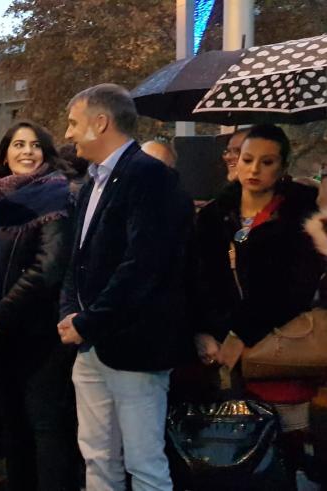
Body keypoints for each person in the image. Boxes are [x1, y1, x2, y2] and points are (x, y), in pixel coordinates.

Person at [58, 84, 193, 491]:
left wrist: (88, 321)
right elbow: (77, 259)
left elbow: (143, 266)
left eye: (73, 123)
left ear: (101, 123)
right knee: (96, 457)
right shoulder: (92, 182)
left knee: (144, 463)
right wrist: (69, 312)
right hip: (91, 345)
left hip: (135, 347)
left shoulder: (150, 177)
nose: (66, 134)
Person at [192, 124, 323, 487]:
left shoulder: (301, 212)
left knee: (285, 455)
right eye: (247, 159)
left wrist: (242, 332)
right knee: (230, 452)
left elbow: (297, 286)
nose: (253, 170)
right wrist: (207, 330)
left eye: (266, 162)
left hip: (280, 352)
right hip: (221, 356)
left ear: (282, 166)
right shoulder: (215, 214)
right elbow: (198, 279)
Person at [0, 121, 78, 491]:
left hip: (40, 332)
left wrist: (0, 312)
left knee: (45, 427)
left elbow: (48, 268)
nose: (27, 152)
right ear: (4, 153)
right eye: (18, 144)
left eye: (35, 145)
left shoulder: (56, 195)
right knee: (13, 427)